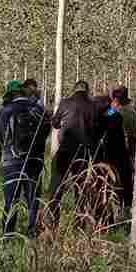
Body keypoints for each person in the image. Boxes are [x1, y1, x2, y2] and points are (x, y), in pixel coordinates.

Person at [0, 79, 51, 238]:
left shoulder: (5, 111)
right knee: (33, 200)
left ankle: (8, 234)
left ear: (10, 94)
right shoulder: (39, 109)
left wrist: (4, 150)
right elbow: (46, 131)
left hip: (11, 161)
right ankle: (32, 233)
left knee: (10, 200)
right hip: (35, 161)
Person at [46, 80, 99, 226]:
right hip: (82, 153)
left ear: (74, 89)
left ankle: (52, 220)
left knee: (56, 186)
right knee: (80, 188)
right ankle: (80, 222)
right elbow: (95, 128)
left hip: (64, 150)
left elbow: (55, 123)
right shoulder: (92, 105)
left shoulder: (65, 103)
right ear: (87, 91)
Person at [111, 85, 136, 156]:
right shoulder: (114, 107)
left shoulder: (133, 106)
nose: (117, 98)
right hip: (118, 139)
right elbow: (106, 116)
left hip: (132, 139)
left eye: (118, 95)